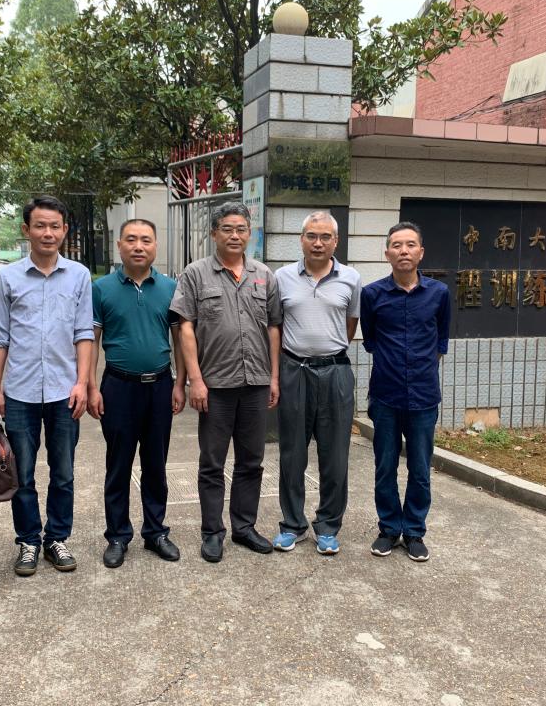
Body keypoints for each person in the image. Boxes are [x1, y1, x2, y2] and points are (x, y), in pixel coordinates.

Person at [170, 201, 282, 563]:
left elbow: (274, 327)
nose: (235, 235)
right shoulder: (195, 274)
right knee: (212, 462)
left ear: (250, 233)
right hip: (215, 385)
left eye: (241, 229)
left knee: (252, 461)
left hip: (256, 383)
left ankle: (244, 527)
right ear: (214, 233)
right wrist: (195, 380)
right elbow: (184, 327)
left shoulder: (264, 275)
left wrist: (274, 377)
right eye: (227, 229)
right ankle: (212, 532)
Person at [0, 196, 93, 576]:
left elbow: (84, 333)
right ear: (26, 230)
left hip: (65, 391)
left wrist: (82, 383)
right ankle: (29, 541)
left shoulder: (79, 275)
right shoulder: (7, 277)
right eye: (40, 226)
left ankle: (57, 538)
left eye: (54, 226)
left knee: (63, 471)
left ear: (65, 230)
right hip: (20, 391)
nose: (47, 233)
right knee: (23, 473)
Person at [87, 219, 186, 568]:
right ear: (119, 245)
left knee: (156, 464)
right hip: (118, 387)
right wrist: (90, 386)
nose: (138, 246)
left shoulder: (170, 287)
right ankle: (117, 535)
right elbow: (92, 340)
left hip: (159, 386)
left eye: (146, 240)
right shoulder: (101, 289)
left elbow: (180, 338)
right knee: (118, 464)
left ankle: (156, 531)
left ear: (156, 245)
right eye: (131, 239)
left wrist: (180, 383)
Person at [360, 221, 451, 562]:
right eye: (397, 245)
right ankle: (388, 528)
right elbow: (370, 340)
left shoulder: (439, 294)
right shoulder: (372, 295)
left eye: (410, 245)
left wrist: (421, 369)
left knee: (420, 469)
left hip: (424, 398)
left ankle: (414, 531)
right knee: (385, 467)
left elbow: (441, 340)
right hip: (385, 395)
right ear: (387, 253)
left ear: (420, 252)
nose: (404, 251)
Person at [273, 211, 361, 557]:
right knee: (292, 454)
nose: (318, 243)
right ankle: (292, 524)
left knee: (335, 454)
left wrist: (327, 351)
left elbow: (349, 325)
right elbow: (277, 325)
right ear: (301, 239)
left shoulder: (351, 278)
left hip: (335, 372)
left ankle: (328, 526)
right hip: (294, 370)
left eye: (325, 237)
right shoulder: (282, 277)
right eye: (311, 235)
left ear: (336, 241)